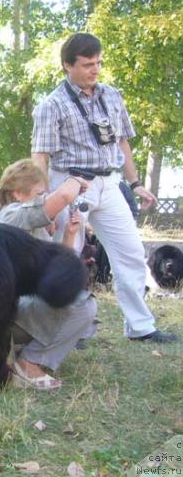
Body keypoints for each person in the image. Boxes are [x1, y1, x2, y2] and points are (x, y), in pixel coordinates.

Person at [31, 32, 176, 343]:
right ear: (67, 66)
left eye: (98, 63)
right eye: (86, 65)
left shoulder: (112, 95)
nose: (94, 69)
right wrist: (44, 203)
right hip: (69, 183)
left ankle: (140, 327)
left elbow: (122, 140)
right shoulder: (51, 105)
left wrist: (135, 183)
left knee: (132, 253)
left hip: (110, 184)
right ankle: (62, 328)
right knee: (63, 257)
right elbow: (40, 155)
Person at [0, 159, 98, 390]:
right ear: (18, 194)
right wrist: (75, 180)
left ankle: (22, 351)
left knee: (79, 307)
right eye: (40, 193)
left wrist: (69, 236)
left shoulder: (32, 225)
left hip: (13, 309)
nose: (44, 199)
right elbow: (62, 198)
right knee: (83, 307)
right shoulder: (10, 216)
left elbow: (57, 275)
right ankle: (28, 363)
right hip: (4, 313)